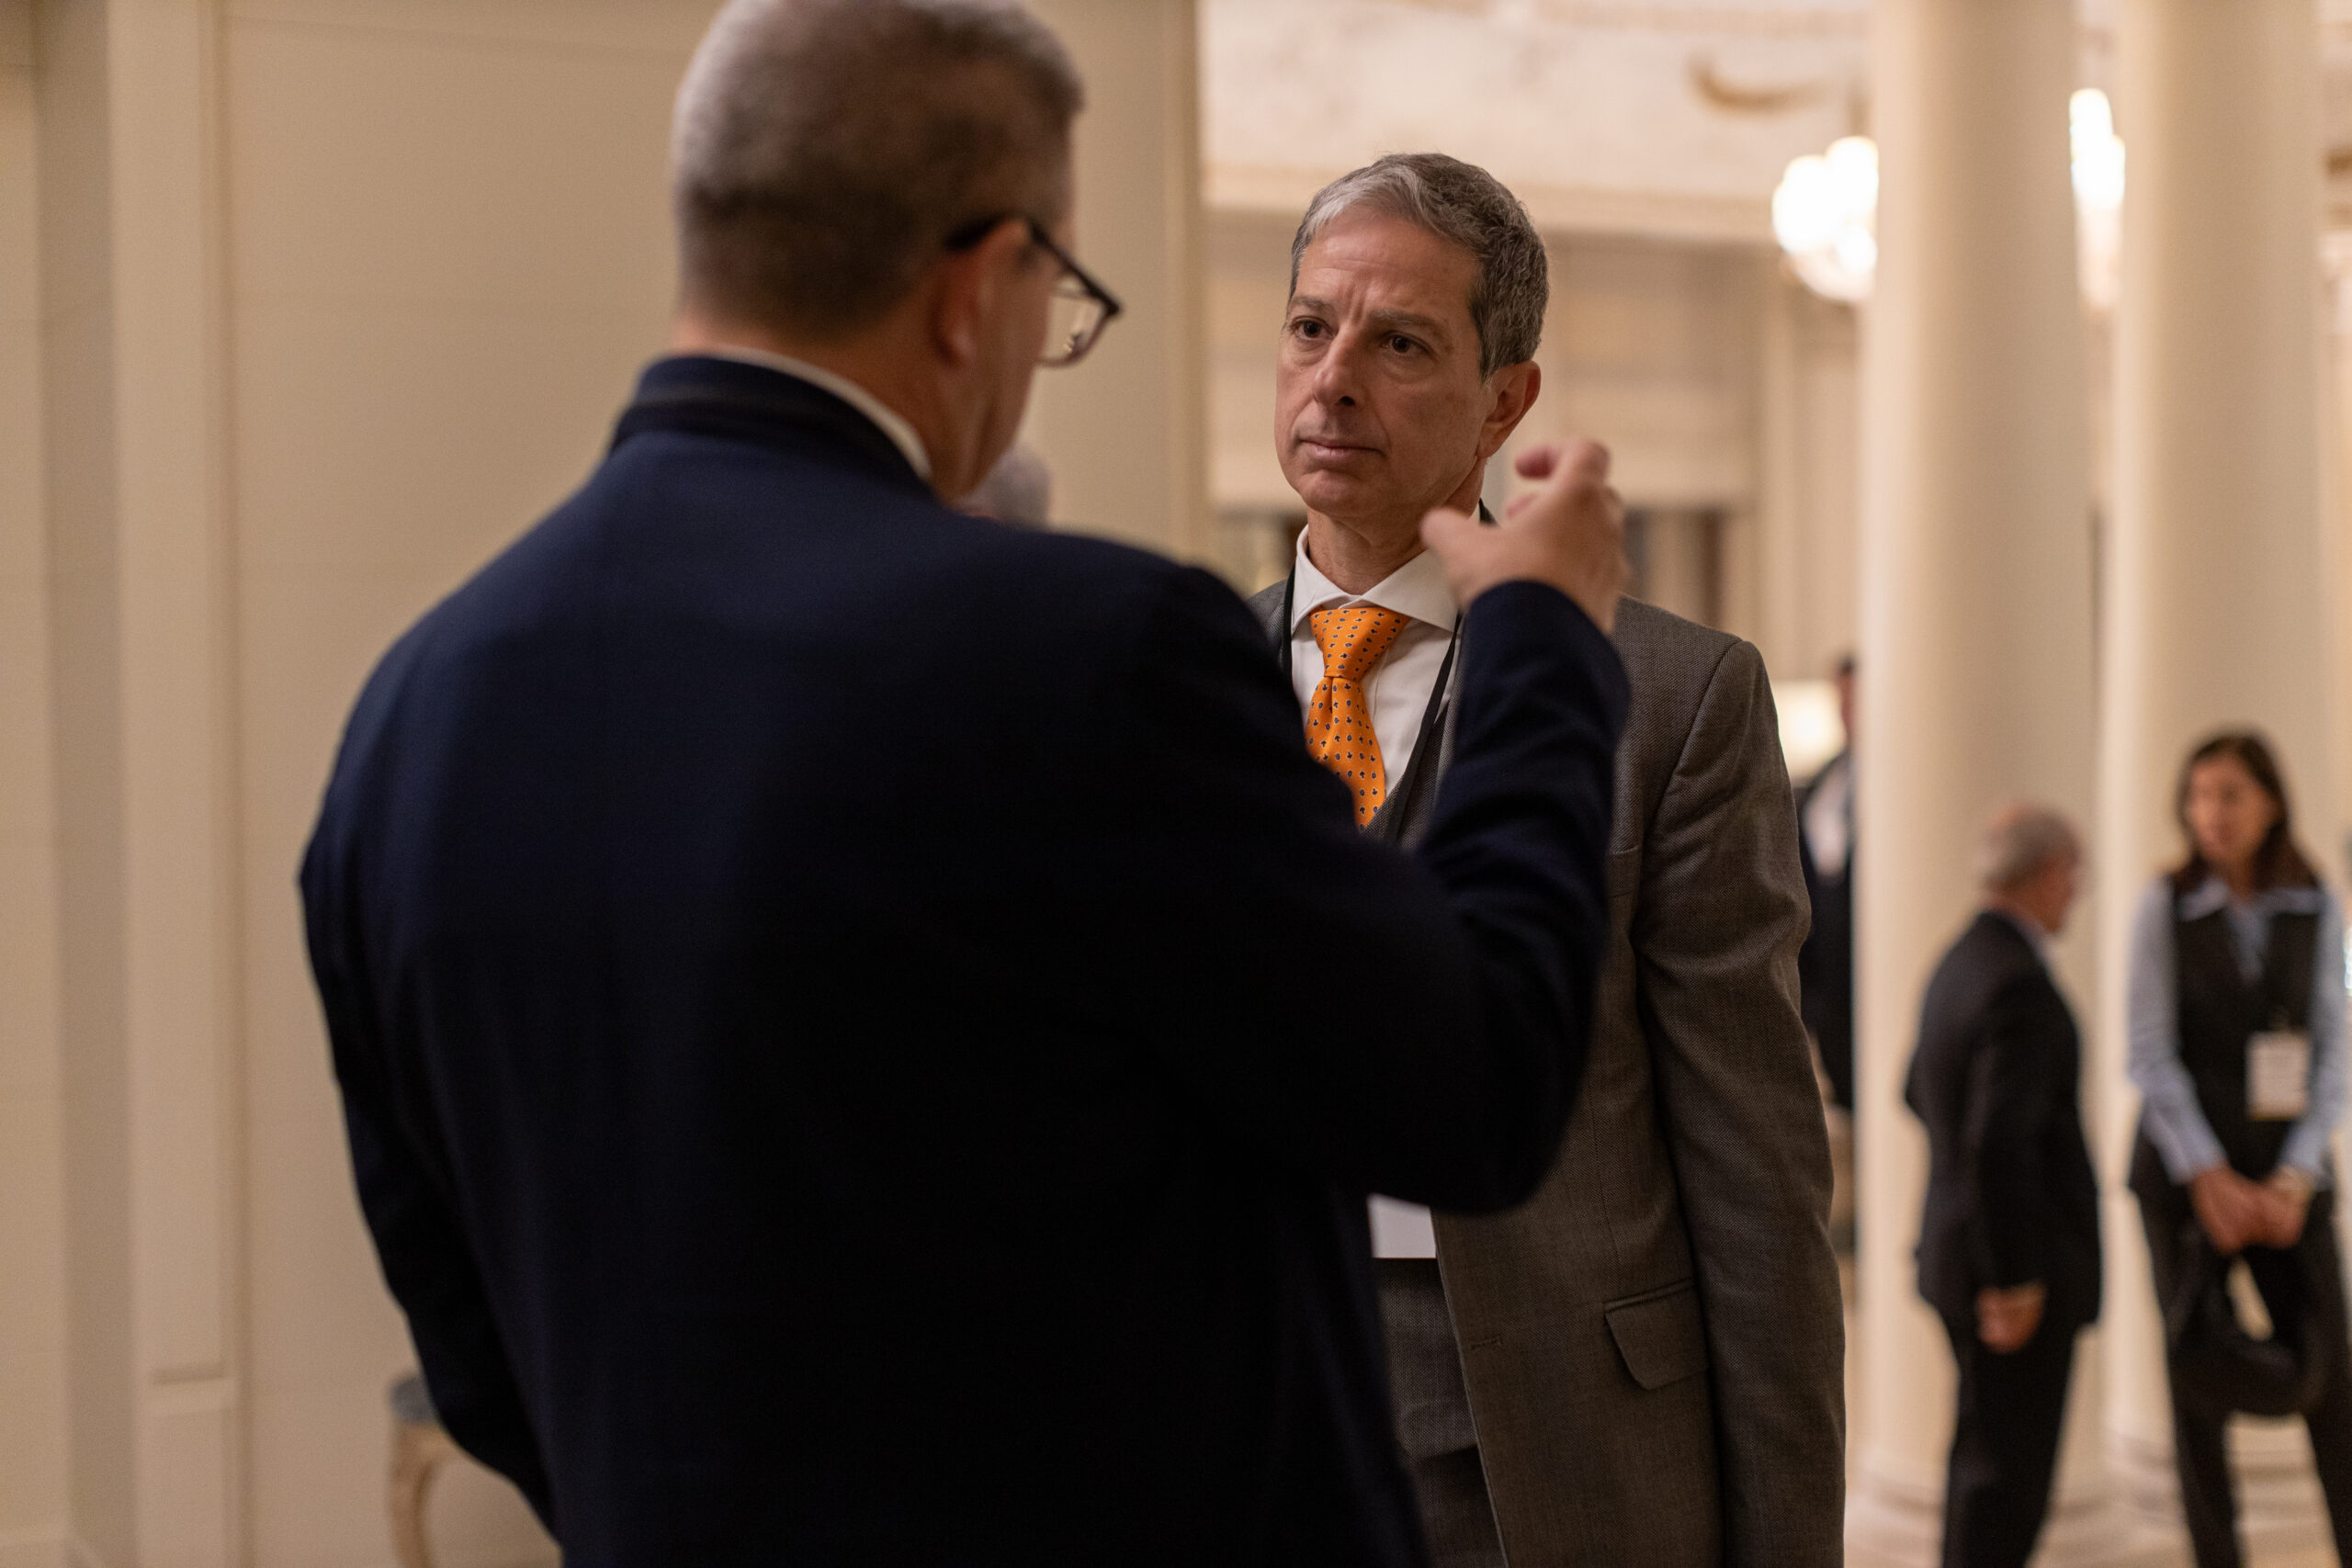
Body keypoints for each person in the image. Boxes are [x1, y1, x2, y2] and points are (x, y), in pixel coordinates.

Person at [300, 4, 1634, 1565]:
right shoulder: (1091, 653)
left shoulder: (410, 719)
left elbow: (474, 1345)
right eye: (1053, 292)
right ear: (974, 285)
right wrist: (1545, 638)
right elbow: (1478, 1081)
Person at [1244, 152, 1843, 1568]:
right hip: (1256, 1411)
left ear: (1506, 400)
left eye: (1400, 344)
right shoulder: (1179, 679)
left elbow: (1754, 1171)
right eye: (1311, 326)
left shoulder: (1673, 694)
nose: (1335, 380)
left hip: (1557, 1430)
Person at [2126, 731, 2352, 1568]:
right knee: (2197, 1384)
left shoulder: (2315, 902)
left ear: (2271, 801)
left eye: (2230, 794)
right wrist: (2211, 1177)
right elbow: (2149, 1051)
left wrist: (2294, 1175)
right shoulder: (2165, 903)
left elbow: (2335, 1044)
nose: (2212, 813)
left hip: (2289, 1174)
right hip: (2188, 1178)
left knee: (2333, 1376)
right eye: (2199, 795)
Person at [1905, 804, 2100, 1568]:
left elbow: (1913, 1091)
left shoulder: (1957, 959)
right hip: (2009, 1279)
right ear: (2048, 872)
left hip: (1959, 1253)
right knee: (2006, 1489)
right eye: (2074, 873)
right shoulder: (2019, 982)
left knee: (1981, 1466)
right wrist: (2014, 1277)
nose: (2077, 890)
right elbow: (1999, 1144)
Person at [1797, 652, 1857, 1112]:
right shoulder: (1825, 780)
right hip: (1823, 975)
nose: (1845, 711)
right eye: (1841, 700)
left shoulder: (1904, 783)